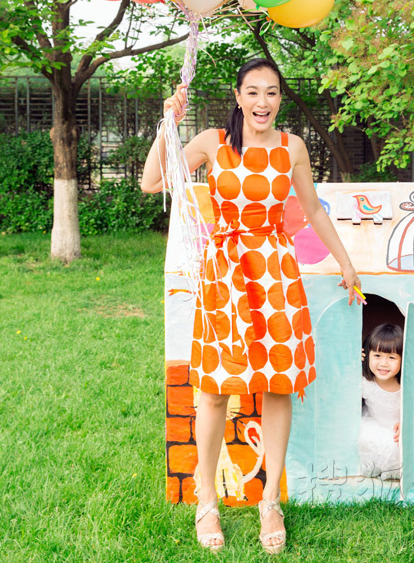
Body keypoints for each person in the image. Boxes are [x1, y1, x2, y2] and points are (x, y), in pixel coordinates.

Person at [141, 57, 362, 553]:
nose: (263, 102)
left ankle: (269, 501)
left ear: (280, 99)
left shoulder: (293, 148)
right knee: (216, 389)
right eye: (253, 92)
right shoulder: (213, 143)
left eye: (272, 93)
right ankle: (206, 501)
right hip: (225, 274)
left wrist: (346, 263)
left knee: (277, 384)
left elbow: (311, 211)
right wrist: (167, 125)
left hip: (276, 274)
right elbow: (152, 182)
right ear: (238, 97)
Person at [358, 323, 403, 481]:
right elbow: (340, 385)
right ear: (367, 355)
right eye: (377, 356)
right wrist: (353, 363)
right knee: (360, 436)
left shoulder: (405, 387)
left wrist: (404, 424)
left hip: (396, 433)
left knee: (396, 447)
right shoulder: (365, 382)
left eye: (391, 358)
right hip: (372, 426)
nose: (383, 363)